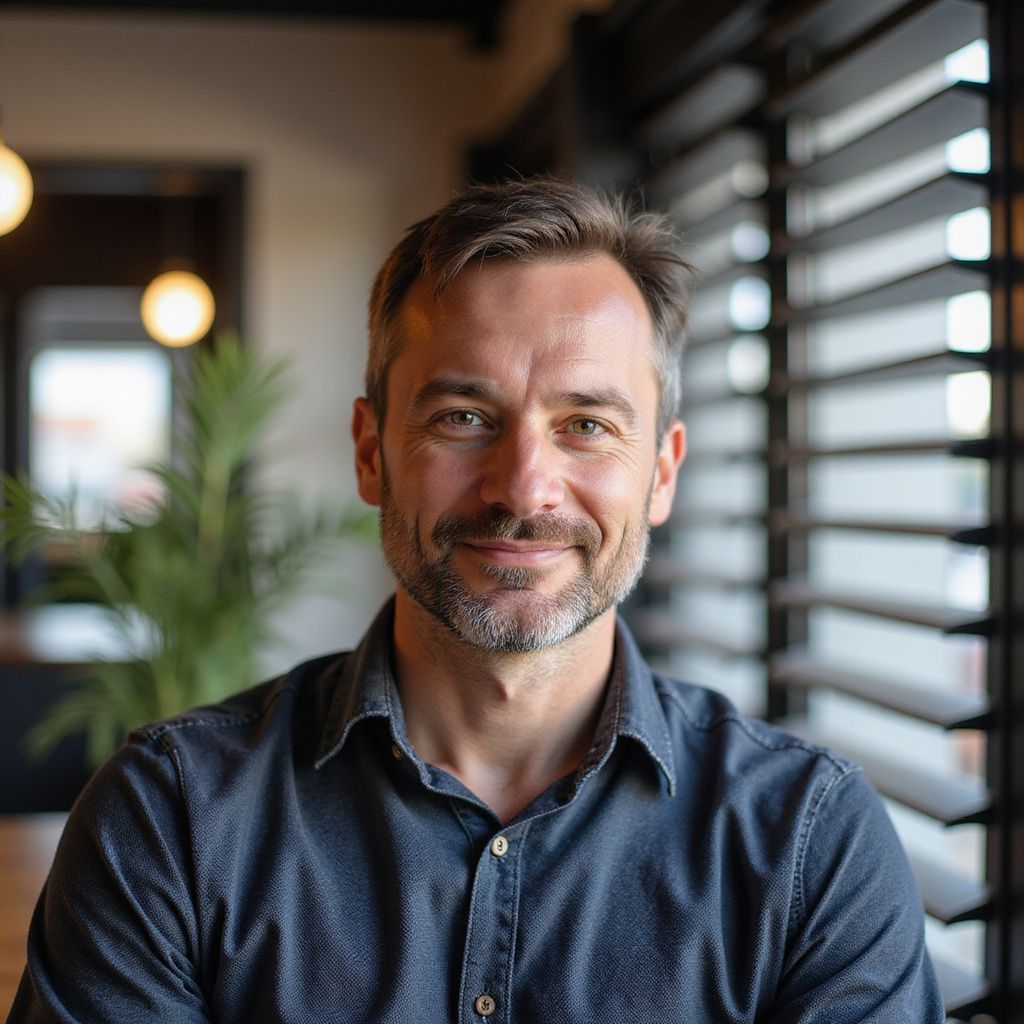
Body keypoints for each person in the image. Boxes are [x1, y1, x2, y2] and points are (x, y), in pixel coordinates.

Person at [10, 179, 943, 1024]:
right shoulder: (170, 819)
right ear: (372, 452)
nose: (524, 488)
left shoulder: (811, 845)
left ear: (661, 473)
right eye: (464, 417)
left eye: (586, 425)